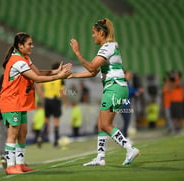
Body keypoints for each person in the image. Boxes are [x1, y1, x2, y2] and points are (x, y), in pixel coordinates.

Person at [69, 18, 140, 166]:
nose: (92, 35)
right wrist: (73, 75)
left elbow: (91, 67)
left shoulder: (107, 47)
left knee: (106, 124)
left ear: (101, 32)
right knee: (102, 124)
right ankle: (100, 158)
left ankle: (129, 148)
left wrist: (77, 52)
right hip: (116, 88)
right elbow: (93, 72)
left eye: (94, 33)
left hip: (114, 87)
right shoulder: (109, 47)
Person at [0, 32, 71, 174]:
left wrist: (56, 71)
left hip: (20, 101)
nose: (32, 46)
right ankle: (10, 166)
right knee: (12, 134)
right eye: (29, 44)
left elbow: (39, 72)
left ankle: (20, 165)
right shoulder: (17, 61)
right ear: (20, 45)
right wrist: (59, 76)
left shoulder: (25, 58)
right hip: (11, 101)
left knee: (23, 133)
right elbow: (37, 78)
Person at [36, 62, 67, 147]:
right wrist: (65, 101)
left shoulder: (47, 76)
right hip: (55, 100)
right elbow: (62, 92)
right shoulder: (60, 78)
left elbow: (38, 86)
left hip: (47, 100)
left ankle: (40, 137)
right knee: (56, 121)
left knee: (46, 120)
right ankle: (56, 142)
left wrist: (42, 97)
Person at [121, 70, 143, 138]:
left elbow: (129, 92)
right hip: (124, 105)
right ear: (124, 75)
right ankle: (124, 137)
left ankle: (125, 137)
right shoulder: (123, 82)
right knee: (126, 121)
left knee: (126, 121)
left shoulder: (126, 82)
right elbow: (128, 91)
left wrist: (135, 93)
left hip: (126, 105)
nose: (130, 76)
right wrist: (137, 91)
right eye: (128, 74)